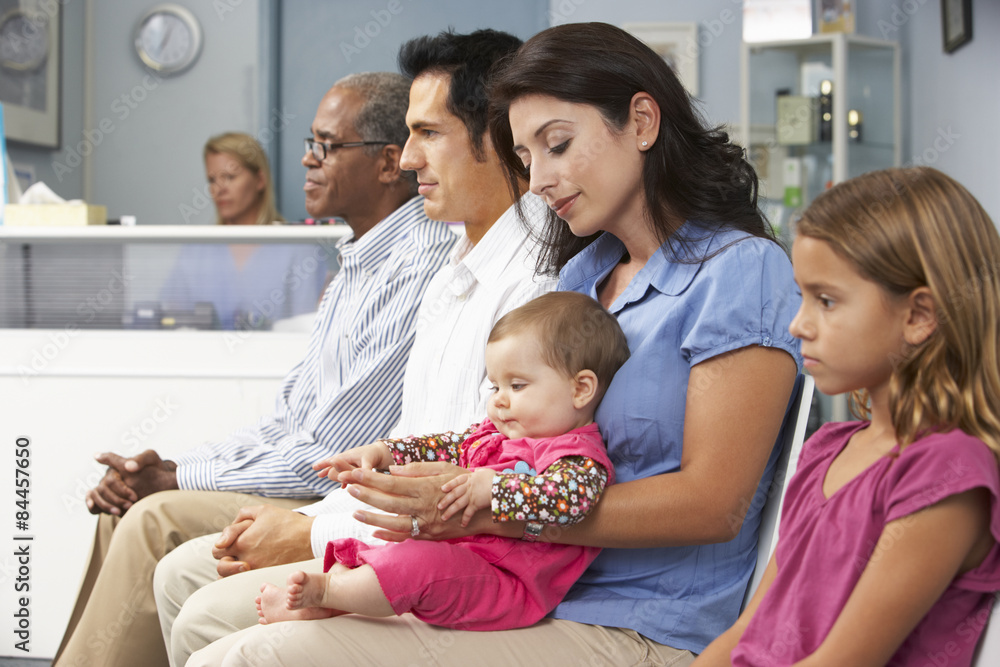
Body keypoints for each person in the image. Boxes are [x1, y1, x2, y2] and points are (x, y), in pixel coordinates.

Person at [187, 22, 801, 666]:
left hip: (636, 620)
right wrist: (408, 463)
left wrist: (483, 505)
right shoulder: (582, 276)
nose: (538, 180)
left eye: (558, 145)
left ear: (642, 122)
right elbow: (505, 432)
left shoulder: (739, 271)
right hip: (521, 583)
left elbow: (714, 505)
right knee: (214, 626)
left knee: (246, 656)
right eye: (527, 156)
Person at [156, 29, 556, 667]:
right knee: (180, 576)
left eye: (429, 134)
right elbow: (405, 445)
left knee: (203, 613)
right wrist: (315, 517)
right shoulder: (457, 265)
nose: (407, 160)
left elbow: (462, 486)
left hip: (455, 559)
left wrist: (309, 530)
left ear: (496, 135)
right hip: (393, 528)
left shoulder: (535, 284)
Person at [53, 72, 457, 667]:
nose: (307, 159)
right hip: (304, 475)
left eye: (325, 145)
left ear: (387, 163)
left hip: (324, 493)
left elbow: (326, 453)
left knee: (151, 518)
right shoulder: (356, 262)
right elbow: (285, 420)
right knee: (124, 510)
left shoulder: (414, 265)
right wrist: (170, 466)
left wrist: (175, 479)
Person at [694, 166, 1000, 666]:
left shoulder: (946, 471)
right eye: (802, 296)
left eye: (827, 301)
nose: (798, 325)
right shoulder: (827, 449)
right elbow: (747, 631)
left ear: (919, 315)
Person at [256, 291, 629, 630]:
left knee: (416, 565)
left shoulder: (577, 455)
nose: (499, 399)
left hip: (505, 583)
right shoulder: (497, 434)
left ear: (580, 389)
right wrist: (385, 452)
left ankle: (326, 596)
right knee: (389, 551)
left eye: (517, 386)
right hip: (463, 557)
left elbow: (572, 500)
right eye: (494, 386)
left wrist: (494, 489)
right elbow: (446, 445)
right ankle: (332, 599)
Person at [159, 132, 327, 330]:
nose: (219, 189)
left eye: (229, 177)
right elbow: (170, 320)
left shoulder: (298, 247)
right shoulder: (196, 250)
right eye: (212, 180)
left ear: (259, 180)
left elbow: (307, 331)